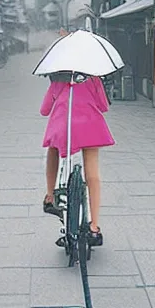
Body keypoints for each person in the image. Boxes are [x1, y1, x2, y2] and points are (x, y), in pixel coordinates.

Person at [40, 69, 114, 247]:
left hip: (63, 127)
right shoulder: (93, 78)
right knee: (92, 172)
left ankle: (50, 196)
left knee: (53, 148)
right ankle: (94, 227)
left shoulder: (58, 79)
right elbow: (104, 106)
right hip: (90, 127)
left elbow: (44, 110)